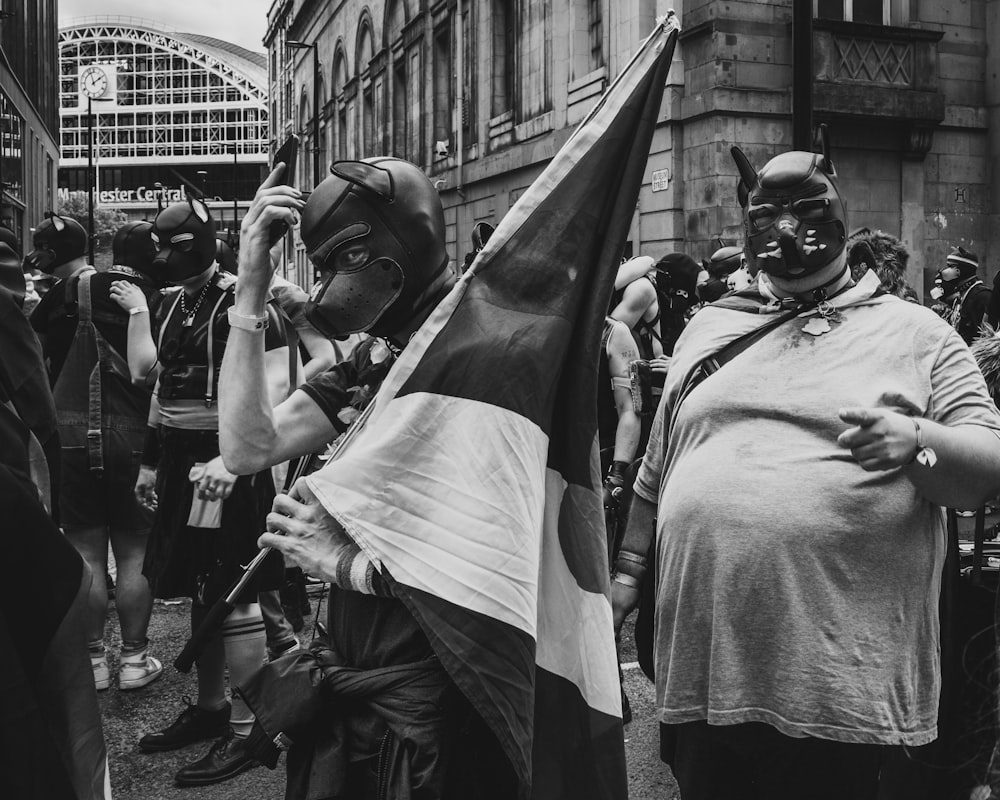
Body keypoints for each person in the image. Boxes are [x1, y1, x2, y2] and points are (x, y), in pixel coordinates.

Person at [611, 140, 1000, 800]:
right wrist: (624, 578)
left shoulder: (916, 334)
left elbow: (987, 468)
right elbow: (657, 474)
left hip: (841, 694)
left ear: (837, 217)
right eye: (768, 217)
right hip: (706, 678)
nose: (787, 231)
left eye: (805, 212)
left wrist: (917, 441)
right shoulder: (708, 330)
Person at [215, 158, 513, 798]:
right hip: (361, 669)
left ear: (385, 253)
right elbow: (248, 445)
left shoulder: (487, 355)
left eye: (334, 267)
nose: (324, 289)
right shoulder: (378, 357)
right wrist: (250, 286)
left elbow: (503, 550)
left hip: (442, 689)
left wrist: (351, 561)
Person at [109, 197, 291, 787]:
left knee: (231, 592)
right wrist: (148, 462)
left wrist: (231, 461)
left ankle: (246, 729)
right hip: (183, 467)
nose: (160, 257)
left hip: (226, 467)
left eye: (171, 246)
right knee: (199, 590)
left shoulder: (247, 300)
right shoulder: (171, 305)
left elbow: (282, 387)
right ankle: (213, 709)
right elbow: (162, 388)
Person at [28, 216, 163, 694]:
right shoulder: (157, 298)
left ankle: (92, 664)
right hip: (136, 439)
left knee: (85, 550)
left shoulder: (62, 294)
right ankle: (133, 659)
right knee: (134, 552)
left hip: (71, 438)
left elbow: (36, 359)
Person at [931, 246, 991, 345]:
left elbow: (986, 341)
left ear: (960, 271)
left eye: (950, 266)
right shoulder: (960, 297)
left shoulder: (983, 297)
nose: (945, 271)